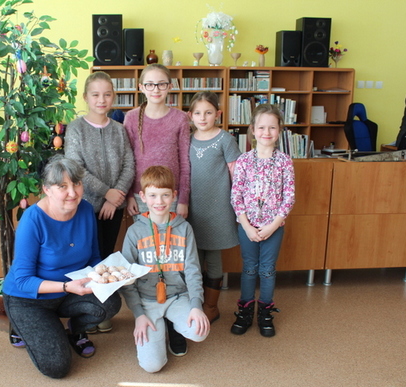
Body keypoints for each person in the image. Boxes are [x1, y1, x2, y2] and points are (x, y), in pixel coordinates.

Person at [2, 155, 121, 379]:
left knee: (111, 302)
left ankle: (73, 329)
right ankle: (23, 325)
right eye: (62, 186)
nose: (73, 193)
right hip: (29, 299)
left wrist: (111, 276)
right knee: (57, 367)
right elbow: (23, 280)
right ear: (47, 190)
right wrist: (66, 287)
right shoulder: (32, 220)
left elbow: (93, 257)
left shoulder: (85, 210)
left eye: (76, 183)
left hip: (70, 292)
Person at [123, 63, 191, 355]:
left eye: (161, 84)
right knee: (147, 256)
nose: (155, 89)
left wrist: (183, 198)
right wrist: (130, 194)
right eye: (149, 84)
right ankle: (151, 313)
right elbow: (128, 160)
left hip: (171, 196)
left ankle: (175, 321)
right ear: (141, 88)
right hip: (142, 198)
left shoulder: (180, 118)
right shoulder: (131, 118)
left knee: (174, 256)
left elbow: (185, 161)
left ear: (170, 87)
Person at [64, 71, 135, 335]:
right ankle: (84, 313)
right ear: (86, 97)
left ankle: (103, 311)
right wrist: (106, 192)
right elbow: (76, 168)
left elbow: (129, 164)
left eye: (107, 94)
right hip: (84, 207)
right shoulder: (76, 128)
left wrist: (116, 196)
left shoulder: (119, 129)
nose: (101, 100)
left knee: (105, 258)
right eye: (95, 95)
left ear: (113, 96)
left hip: (113, 208)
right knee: (84, 260)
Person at [121, 166, 209, 373]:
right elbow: (127, 277)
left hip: (178, 297)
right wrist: (138, 314)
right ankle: (158, 329)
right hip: (147, 301)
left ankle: (174, 326)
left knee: (199, 331)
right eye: (153, 195)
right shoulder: (134, 232)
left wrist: (196, 305)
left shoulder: (184, 228)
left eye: (165, 195)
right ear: (143, 196)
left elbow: (193, 270)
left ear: (174, 196)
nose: (159, 201)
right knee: (152, 366)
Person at [230, 104, 295, 338]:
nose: (266, 132)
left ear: (279, 130)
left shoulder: (284, 161)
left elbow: (289, 196)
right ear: (252, 130)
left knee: (267, 270)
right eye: (261, 127)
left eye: (272, 127)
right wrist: (247, 226)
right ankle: (245, 311)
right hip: (247, 227)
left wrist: (273, 225)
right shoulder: (244, 160)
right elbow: (236, 195)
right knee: (249, 269)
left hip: (273, 228)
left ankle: (265, 313)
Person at [187, 91, 242, 323]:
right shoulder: (187, 139)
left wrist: (240, 208)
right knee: (194, 257)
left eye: (208, 112)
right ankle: (195, 305)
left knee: (214, 257)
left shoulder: (225, 140)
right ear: (190, 115)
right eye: (198, 113)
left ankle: (211, 306)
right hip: (192, 209)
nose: (203, 117)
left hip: (218, 209)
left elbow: (236, 175)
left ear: (218, 114)